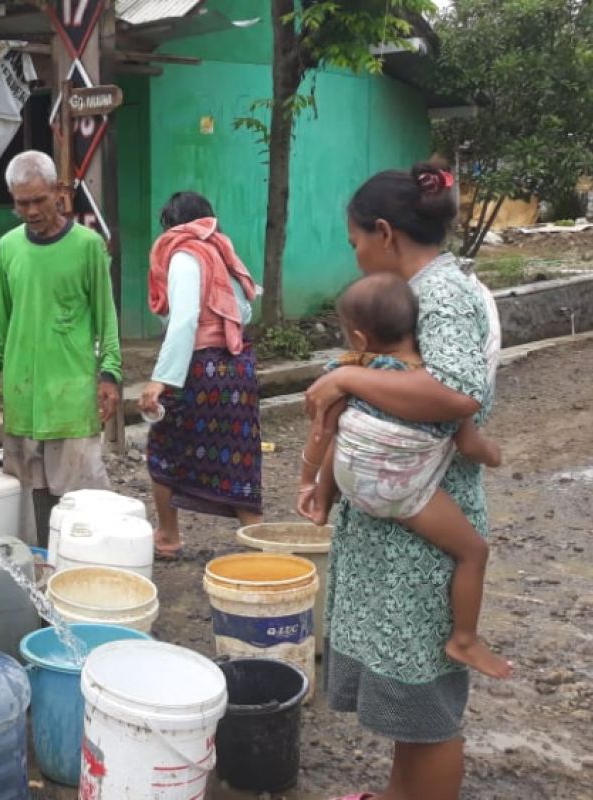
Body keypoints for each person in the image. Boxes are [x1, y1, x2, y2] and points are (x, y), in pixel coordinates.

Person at [303, 162, 501, 800]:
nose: (355, 253)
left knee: (430, 715)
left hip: (424, 533)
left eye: (355, 240)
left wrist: (347, 378)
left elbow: (457, 391)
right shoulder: (420, 293)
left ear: (384, 232)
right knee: (410, 710)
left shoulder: (441, 295)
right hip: (401, 527)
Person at [298, 273, 511, 680]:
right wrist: (494, 455)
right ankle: (463, 639)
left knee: (347, 439)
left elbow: (324, 433)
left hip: (349, 483)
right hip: (402, 496)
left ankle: (325, 504)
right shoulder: (435, 389)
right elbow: (469, 446)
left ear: (359, 339)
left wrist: (310, 485)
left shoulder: (350, 374)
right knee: (473, 552)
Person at [0, 150, 122, 545]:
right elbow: (0, 317)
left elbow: (106, 317)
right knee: (30, 492)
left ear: (59, 191)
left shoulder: (88, 246)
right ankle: (43, 565)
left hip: (71, 394)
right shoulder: (7, 247)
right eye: (22, 203)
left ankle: (85, 567)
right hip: (24, 395)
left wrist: (110, 374)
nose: (32, 210)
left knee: (80, 499)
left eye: (39, 200)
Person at [139, 192, 263, 560]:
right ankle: (261, 546)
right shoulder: (223, 253)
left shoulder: (183, 254)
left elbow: (185, 320)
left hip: (200, 370)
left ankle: (168, 537)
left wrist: (162, 379)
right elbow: (245, 311)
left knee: (164, 448)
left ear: (172, 224)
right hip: (238, 369)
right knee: (240, 457)